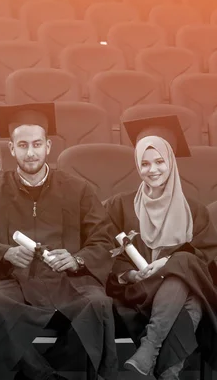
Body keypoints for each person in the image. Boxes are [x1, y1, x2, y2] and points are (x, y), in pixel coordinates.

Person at [0, 103, 118, 380]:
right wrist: (5, 253)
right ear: (11, 149)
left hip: (69, 282)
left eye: (37, 144)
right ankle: (42, 374)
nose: (30, 152)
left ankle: (47, 370)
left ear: (48, 146)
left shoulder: (78, 189)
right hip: (15, 282)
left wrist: (77, 258)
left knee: (98, 305)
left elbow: (102, 236)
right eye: (22, 145)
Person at [105, 115, 217, 379]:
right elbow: (103, 251)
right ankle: (164, 364)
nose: (152, 170)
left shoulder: (195, 211)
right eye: (144, 163)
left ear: (171, 163)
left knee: (185, 274)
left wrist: (168, 264)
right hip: (138, 291)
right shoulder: (118, 206)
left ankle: (152, 355)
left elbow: (206, 260)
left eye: (159, 162)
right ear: (136, 165)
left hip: (173, 294)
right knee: (190, 291)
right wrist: (130, 274)